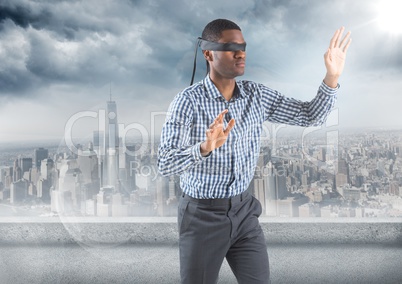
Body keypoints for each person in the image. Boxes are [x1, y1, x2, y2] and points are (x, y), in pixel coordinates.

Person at [158, 18, 351, 284]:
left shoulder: (256, 96)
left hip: (244, 212)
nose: (240, 53)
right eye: (230, 47)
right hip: (201, 216)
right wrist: (204, 148)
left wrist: (332, 78)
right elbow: (165, 163)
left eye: (243, 46)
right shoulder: (187, 102)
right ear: (207, 53)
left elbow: (310, 116)